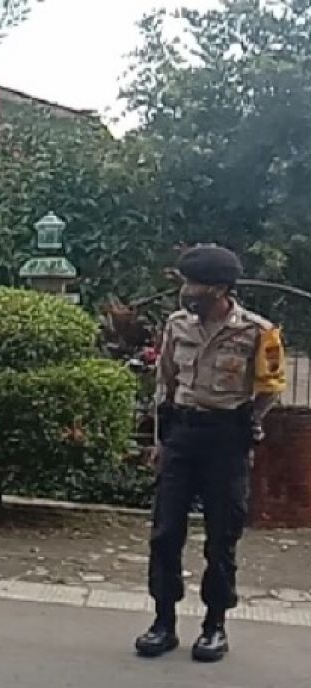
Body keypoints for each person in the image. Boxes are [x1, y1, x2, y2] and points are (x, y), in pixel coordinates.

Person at [135, 245, 286, 663]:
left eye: (194, 284)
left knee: (222, 537)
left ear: (219, 288)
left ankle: (214, 626)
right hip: (182, 434)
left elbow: (271, 387)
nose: (187, 291)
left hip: (225, 440)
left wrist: (250, 421)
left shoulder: (256, 331)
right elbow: (164, 384)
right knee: (165, 534)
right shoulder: (177, 325)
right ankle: (163, 622)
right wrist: (161, 440)